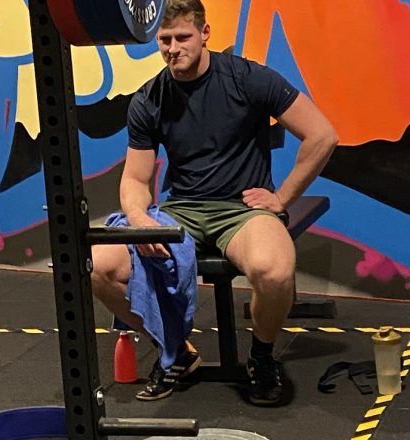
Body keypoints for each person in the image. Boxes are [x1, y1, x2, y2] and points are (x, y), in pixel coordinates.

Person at [91, 0, 338, 406]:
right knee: (100, 267)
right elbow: (135, 179)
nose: (173, 49)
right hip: (182, 211)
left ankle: (262, 357)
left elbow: (322, 135)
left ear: (205, 34)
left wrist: (281, 198)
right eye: (165, 40)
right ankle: (176, 351)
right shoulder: (149, 98)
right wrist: (139, 219)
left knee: (275, 273)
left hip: (242, 211)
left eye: (182, 37)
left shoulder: (247, 78)